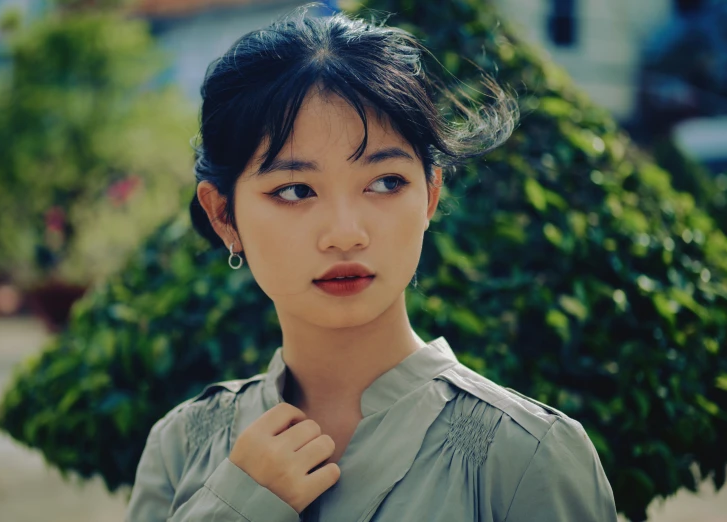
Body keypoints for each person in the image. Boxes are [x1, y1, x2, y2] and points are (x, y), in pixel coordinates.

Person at [125, 5, 618, 521]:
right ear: (224, 216)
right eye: (295, 190)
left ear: (429, 197)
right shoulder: (182, 445)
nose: (345, 234)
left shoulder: (525, 458)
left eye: (385, 183)